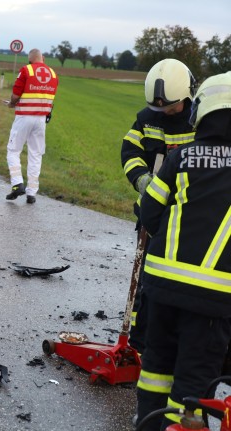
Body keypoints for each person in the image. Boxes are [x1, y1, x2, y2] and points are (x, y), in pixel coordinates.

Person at [135, 71, 231, 430]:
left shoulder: (182, 157)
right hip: (213, 298)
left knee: (156, 368)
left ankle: (146, 422)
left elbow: (149, 212)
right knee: (193, 380)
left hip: (161, 286)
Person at [120, 58, 196, 355]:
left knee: (176, 281)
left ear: (187, 96)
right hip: (151, 215)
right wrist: (140, 179)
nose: (164, 112)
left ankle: (170, 341)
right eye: (159, 107)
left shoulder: (200, 121)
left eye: (171, 107)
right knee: (146, 282)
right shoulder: (146, 119)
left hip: (185, 217)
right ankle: (138, 344)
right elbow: (129, 150)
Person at [5, 48, 58, 204]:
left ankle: (17, 184)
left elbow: (16, 94)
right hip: (41, 120)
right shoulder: (53, 74)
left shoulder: (26, 70)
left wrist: (12, 104)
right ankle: (32, 193)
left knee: (13, 150)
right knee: (36, 154)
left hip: (24, 117)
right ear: (43, 59)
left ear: (30, 60)